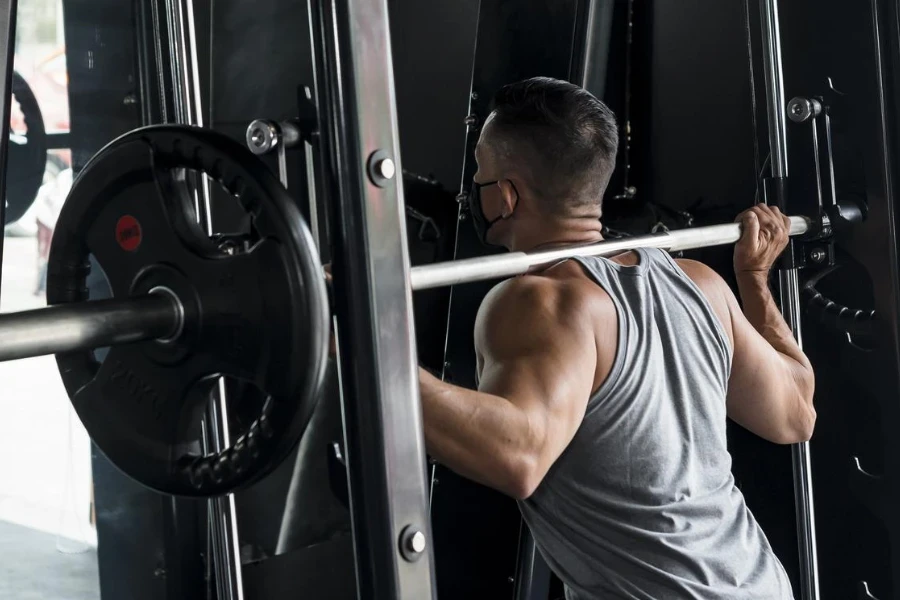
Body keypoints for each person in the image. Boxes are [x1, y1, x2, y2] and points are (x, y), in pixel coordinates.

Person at [417, 77, 815, 599]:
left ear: (506, 195)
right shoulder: (701, 283)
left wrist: (370, 354)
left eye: (479, 175)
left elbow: (518, 456)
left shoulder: (539, 300)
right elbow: (796, 410)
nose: (473, 187)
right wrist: (754, 281)